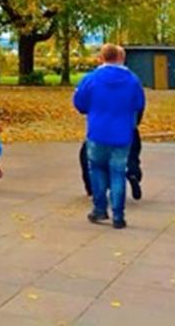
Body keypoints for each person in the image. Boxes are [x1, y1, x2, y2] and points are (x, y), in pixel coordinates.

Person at [73, 44, 145, 229]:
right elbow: (139, 103)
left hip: (97, 132)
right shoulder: (132, 80)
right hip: (122, 133)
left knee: (96, 169)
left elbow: (80, 103)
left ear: (102, 57)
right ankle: (118, 215)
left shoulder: (91, 79)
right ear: (119, 57)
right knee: (118, 172)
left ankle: (99, 208)